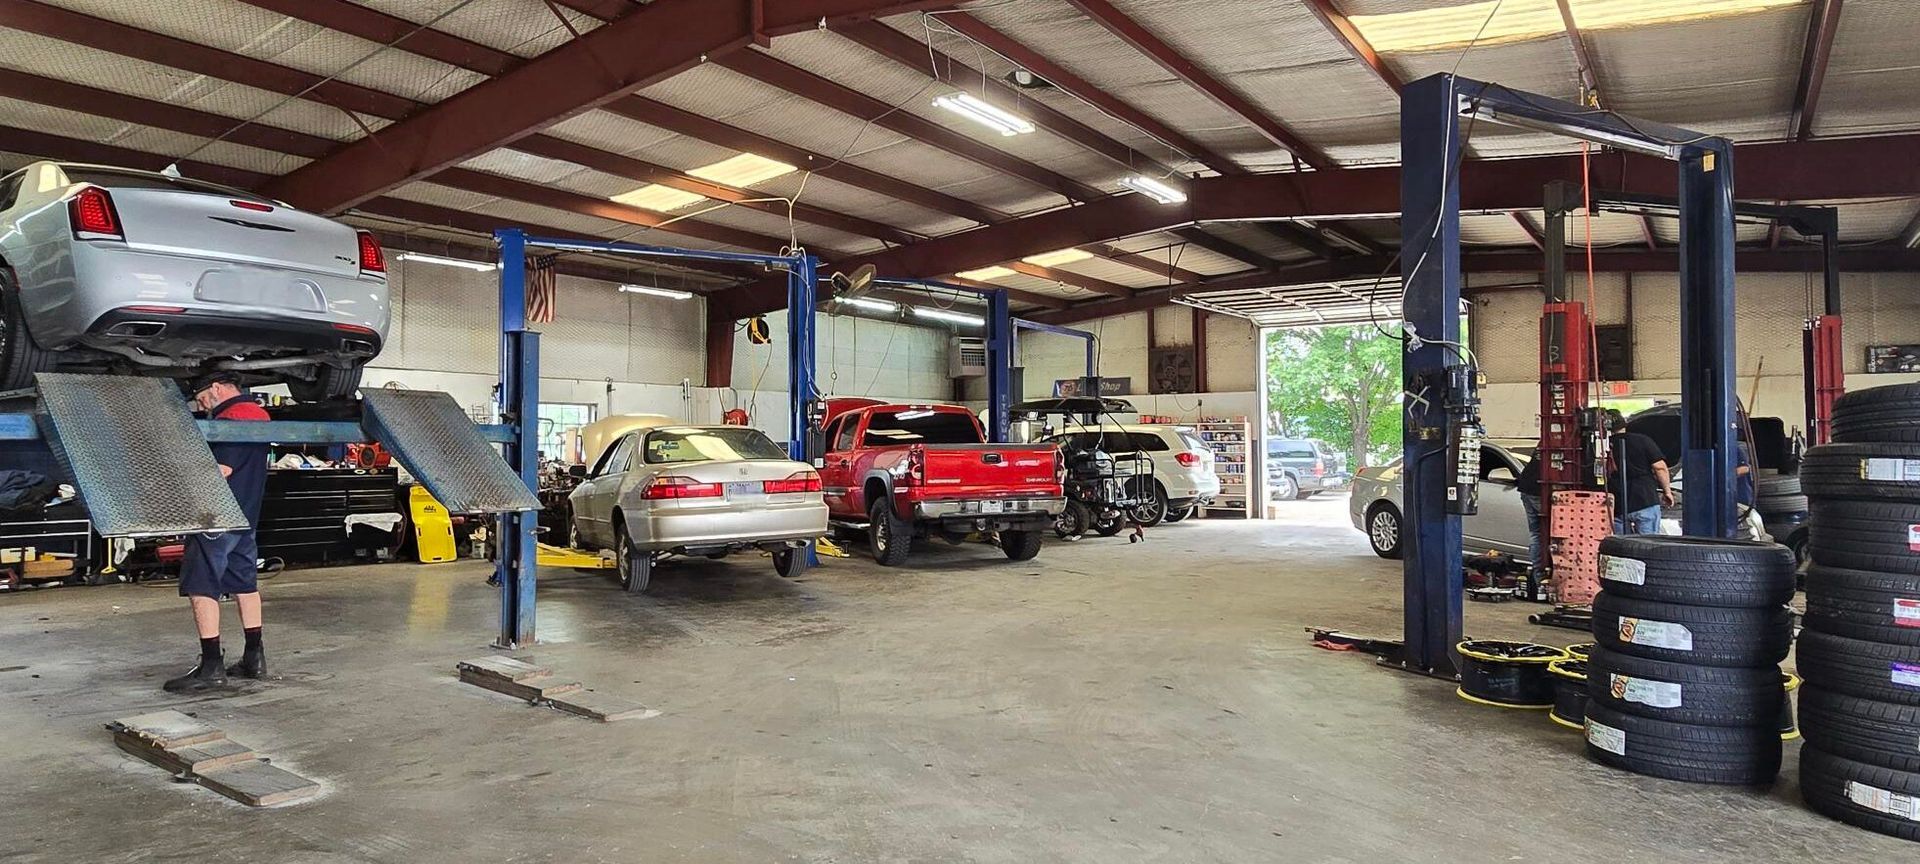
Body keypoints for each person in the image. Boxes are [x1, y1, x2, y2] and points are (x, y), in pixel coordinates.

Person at [164, 371, 272, 693]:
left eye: (201, 399)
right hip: (246, 518)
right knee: (244, 583)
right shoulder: (261, 414)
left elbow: (220, 471)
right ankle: (254, 657)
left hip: (216, 518)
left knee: (202, 585)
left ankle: (211, 665)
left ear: (216, 388)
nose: (203, 407)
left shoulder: (232, 417)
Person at [1606, 410, 1675, 535]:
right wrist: (1667, 492)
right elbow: (1660, 468)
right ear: (1624, 424)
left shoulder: (1601, 446)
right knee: (1647, 545)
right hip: (1645, 500)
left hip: (1617, 503)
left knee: (1621, 548)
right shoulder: (1643, 440)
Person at [1515, 444, 1544, 576]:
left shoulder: (1544, 442)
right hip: (1539, 491)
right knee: (1548, 533)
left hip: (1526, 488)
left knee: (1536, 533)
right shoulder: (1558, 444)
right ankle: (1541, 574)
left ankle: (1537, 573)